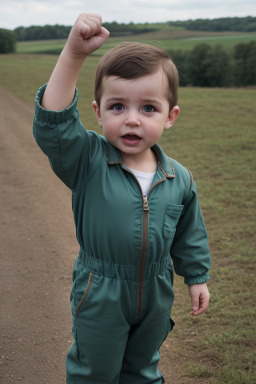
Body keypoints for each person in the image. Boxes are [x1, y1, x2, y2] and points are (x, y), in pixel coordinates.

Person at [33, 13, 211, 384]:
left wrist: (196, 277)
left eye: (148, 108)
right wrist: (73, 53)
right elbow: (54, 121)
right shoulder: (87, 160)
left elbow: (189, 233)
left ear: (170, 116)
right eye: (118, 107)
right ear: (97, 112)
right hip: (101, 291)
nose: (132, 119)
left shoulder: (178, 177)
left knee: (143, 371)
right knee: (95, 373)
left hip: (157, 291)